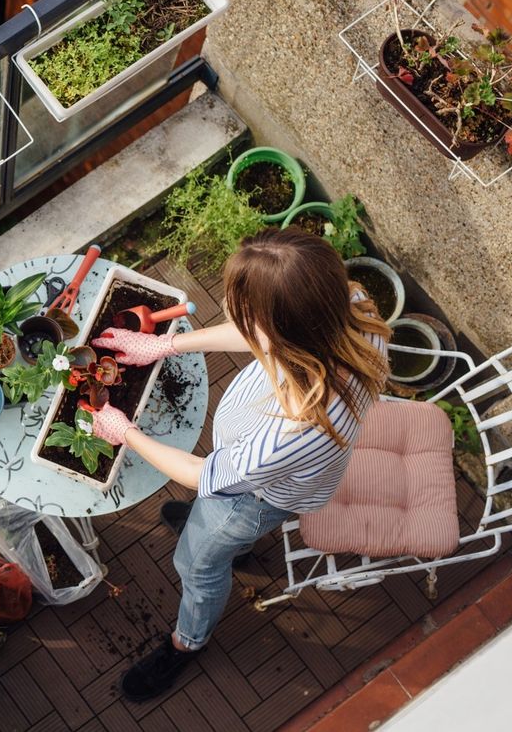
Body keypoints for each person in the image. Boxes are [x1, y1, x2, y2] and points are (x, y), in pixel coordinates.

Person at [89, 227, 390, 702]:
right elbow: (258, 331)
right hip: (259, 475)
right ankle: (237, 548)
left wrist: (123, 431)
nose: (231, 312)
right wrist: (163, 346)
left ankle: (187, 642)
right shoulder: (348, 306)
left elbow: (204, 477)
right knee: (210, 533)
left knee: (194, 562)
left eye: (242, 311)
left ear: (280, 330)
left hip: (248, 500)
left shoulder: (296, 425)